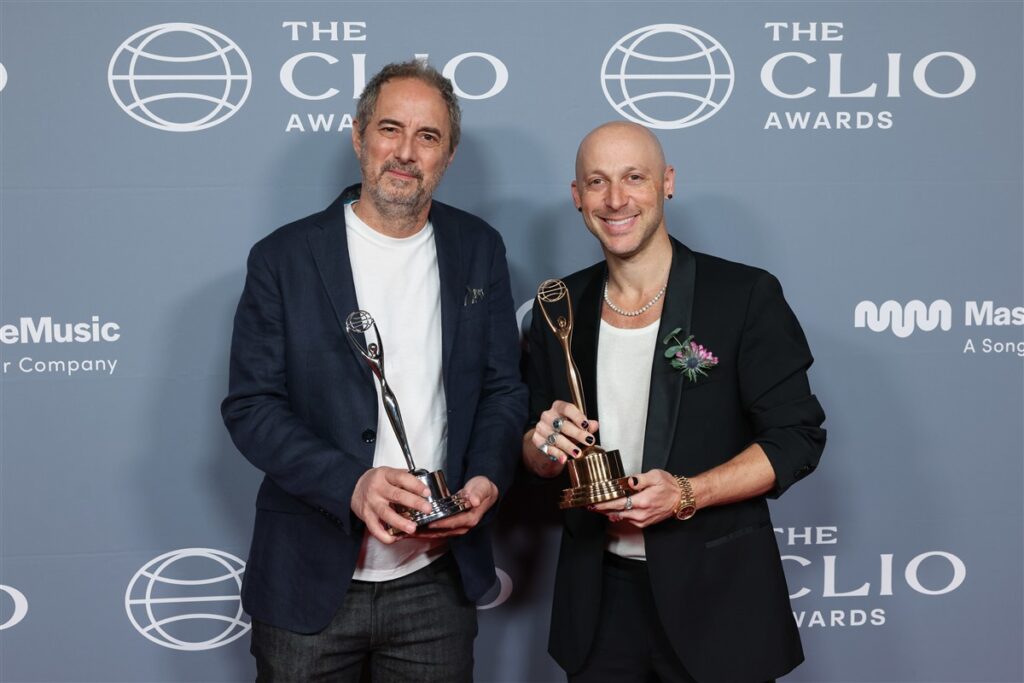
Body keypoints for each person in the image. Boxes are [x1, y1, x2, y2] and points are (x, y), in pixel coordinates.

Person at [222, 60, 527, 682]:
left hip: (436, 580)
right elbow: (251, 407)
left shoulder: (479, 248)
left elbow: (502, 389)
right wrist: (351, 484)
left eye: (428, 136)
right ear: (359, 137)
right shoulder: (283, 257)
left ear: (448, 155)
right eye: (390, 129)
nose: (406, 152)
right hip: (309, 579)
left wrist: (488, 478)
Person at [522, 121, 826, 683]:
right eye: (598, 182)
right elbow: (536, 453)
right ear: (577, 196)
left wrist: (687, 492)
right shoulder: (560, 305)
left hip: (719, 602)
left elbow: (796, 439)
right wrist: (542, 448)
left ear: (667, 182)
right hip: (598, 606)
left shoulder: (743, 295)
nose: (616, 199)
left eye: (634, 178)